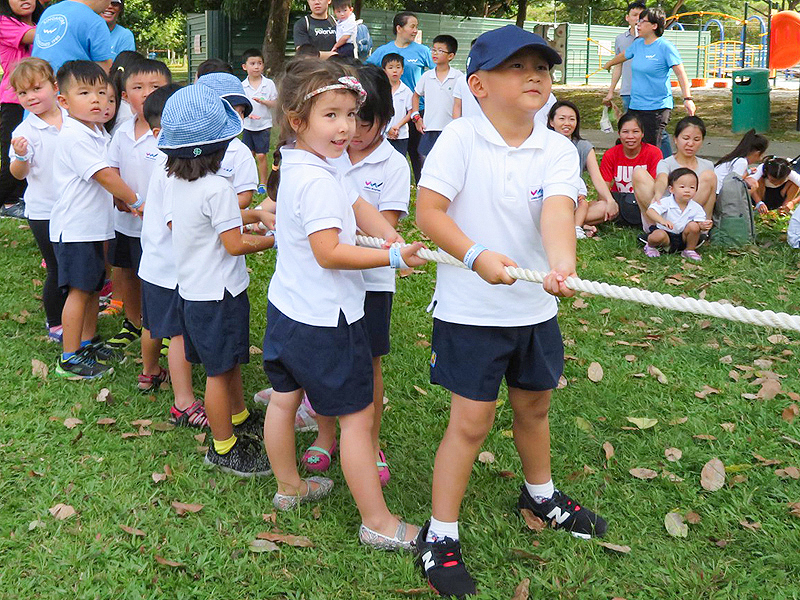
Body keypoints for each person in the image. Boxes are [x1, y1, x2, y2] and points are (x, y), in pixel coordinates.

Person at [414, 25, 607, 598]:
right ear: (478, 84)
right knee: (470, 422)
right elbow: (429, 213)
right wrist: (474, 256)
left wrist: (561, 264)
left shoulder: (555, 146)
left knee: (535, 405)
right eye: (518, 67)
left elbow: (557, 209)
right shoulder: (459, 139)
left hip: (532, 307)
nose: (535, 76)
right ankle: (440, 534)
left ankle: (540, 494)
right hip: (472, 310)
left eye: (542, 68)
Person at [261, 58, 425, 549]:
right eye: (331, 115)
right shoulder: (316, 181)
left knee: (286, 400)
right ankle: (377, 521)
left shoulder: (304, 161)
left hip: (287, 309)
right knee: (356, 418)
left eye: (351, 114)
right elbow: (328, 252)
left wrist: (389, 234)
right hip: (326, 321)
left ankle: (290, 487)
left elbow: (357, 204)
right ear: (298, 120)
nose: (346, 126)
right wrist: (392, 258)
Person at [295, 63, 410, 488]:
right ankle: (327, 434)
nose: (351, 128)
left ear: (384, 119)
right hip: (329, 286)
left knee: (368, 365)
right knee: (327, 364)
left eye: (363, 119)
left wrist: (393, 248)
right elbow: (327, 242)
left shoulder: (393, 165)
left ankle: (369, 440)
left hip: (373, 281)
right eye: (340, 116)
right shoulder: (324, 159)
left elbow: (379, 226)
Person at [158, 83, 274, 474]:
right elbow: (234, 245)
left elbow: (211, 225)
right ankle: (223, 447)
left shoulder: (179, 184)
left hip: (193, 292)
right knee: (220, 372)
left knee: (228, 363)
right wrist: (271, 241)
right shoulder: (218, 188)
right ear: (220, 147)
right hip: (220, 294)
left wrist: (255, 217)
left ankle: (239, 418)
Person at [49, 60, 139, 379]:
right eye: (85, 92)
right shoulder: (75, 136)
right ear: (63, 101)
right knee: (79, 291)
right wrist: (134, 199)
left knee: (92, 287)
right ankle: (69, 357)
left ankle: (87, 343)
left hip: (93, 227)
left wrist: (118, 199)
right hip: (75, 229)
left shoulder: (96, 131)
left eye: (103, 92)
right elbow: (103, 175)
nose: (97, 100)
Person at [138, 83, 208, 428]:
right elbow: (177, 223)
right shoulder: (175, 172)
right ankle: (184, 402)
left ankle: (149, 372)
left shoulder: (167, 164)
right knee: (179, 333)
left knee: (153, 322)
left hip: (154, 264)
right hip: (173, 268)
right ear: (160, 132)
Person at [104, 58, 172, 376]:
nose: (146, 94)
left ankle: (166, 328)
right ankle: (133, 322)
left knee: (160, 276)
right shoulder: (120, 132)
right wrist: (119, 197)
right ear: (124, 93)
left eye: (156, 87)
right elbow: (112, 169)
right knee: (129, 271)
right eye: (137, 87)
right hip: (127, 221)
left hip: (161, 227)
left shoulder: (171, 133)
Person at [8, 57, 66, 340]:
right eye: (22, 93)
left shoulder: (74, 117)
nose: (30, 97)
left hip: (77, 207)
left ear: (55, 86)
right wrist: (20, 156)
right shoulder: (23, 132)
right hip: (44, 210)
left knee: (76, 263)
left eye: (36, 88)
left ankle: (79, 310)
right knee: (56, 266)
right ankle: (56, 321)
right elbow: (19, 174)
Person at [603, 7, 695, 149]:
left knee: (650, 148)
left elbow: (681, 73)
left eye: (643, 21)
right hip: (636, 106)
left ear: (654, 26)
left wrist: (687, 99)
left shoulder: (665, 47)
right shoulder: (638, 44)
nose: (638, 25)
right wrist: (609, 63)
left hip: (657, 108)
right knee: (631, 144)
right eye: (638, 21)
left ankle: (658, 170)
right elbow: (624, 55)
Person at [367, 11, 433, 183]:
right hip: (391, 111)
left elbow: (436, 72)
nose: (415, 30)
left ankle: (422, 187)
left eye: (416, 27)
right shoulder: (383, 51)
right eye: (412, 26)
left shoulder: (422, 51)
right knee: (391, 151)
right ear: (399, 28)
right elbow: (367, 71)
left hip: (418, 110)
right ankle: (388, 183)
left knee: (419, 152)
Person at [547, 100, 617, 237]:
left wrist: (610, 200)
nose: (567, 123)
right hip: (548, 201)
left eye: (572, 119)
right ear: (551, 122)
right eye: (562, 118)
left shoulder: (583, 146)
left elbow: (596, 177)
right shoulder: (543, 145)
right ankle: (576, 224)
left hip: (575, 202)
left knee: (604, 207)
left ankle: (566, 224)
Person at [0, 0, 43, 219]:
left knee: (36, 149)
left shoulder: (42, 21)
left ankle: (22, 198)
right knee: (14, 151)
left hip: (42, 98)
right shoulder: (4, 22)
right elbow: (36, 36)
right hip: (14, 98)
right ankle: (6, 202)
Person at [633, 116, 716, 226]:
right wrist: (658, 194)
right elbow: (662, 179)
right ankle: (657, 227)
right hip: (665, 215)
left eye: (696, 140)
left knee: (710, 176)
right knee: (639, 172)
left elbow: (710, 201)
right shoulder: (666, 163)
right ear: (675, 139)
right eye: (686, 138)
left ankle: (700, 229)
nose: (690, 144)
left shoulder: (707, 166)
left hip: (691, 220)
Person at [196, 71, 259, 209]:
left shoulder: (240, 152)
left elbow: (245, 197)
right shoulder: (189, 146)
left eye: (241, 112)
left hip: (225, 225)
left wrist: (209, 209)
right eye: (228, 110)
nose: (237, 117)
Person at [599, 112, 661, 227]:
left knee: (640, 174)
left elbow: (656, 188)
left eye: (635, 132)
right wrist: (608, 204)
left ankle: (654, 226)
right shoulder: (610, 154)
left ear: (642, 133)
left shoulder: (654, 153)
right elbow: (603, 189)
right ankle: (581, 224)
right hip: (619, 204)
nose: (630, 136)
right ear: (619, 133)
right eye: (625, 132)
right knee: (593, 208)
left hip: (645, 204)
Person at [643, 167, 711, 261]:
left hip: (683, 237)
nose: (687, 190)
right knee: (658, 235)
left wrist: (704, 225)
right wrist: (662, 221)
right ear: (671, 189)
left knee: (694, 226)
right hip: (666, 234)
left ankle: (689, 250)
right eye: (682, 187)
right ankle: (650, 246)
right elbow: (650, 211)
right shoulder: (666, 202)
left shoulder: (696, 207)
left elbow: (700, 223)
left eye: (692, 187)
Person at [412, 34, 462, 158]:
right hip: (429, 127)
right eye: (433, 49)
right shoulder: (427, 76)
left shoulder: (458, 77)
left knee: (449, 160)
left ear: (451, 56)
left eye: (440, 50)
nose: (435, 53)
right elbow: (416, 96)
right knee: (427, 160)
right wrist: (417, 117)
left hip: (450, 128)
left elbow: (461, 102)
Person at [32, 0, 113, 74]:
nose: (109, 5)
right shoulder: (96, 21)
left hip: (38, 83)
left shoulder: (49, 11)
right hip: (71, 86)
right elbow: (104, 70)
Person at [240, 48, 277, 196]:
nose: (256, 67)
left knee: (261, 155)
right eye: (252, 63)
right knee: (249, 155)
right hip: (248, 126)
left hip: (264, 125)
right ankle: (249, 182)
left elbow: (275, 103)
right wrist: (248, 115)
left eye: (259, 63)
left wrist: (265, 102)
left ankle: (263, 183)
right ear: (245, 67)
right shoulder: (242, 86)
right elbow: (240, 108)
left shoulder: (269, 84)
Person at [604, 1, 645, 113]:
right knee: (631, 124)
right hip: (628, 92)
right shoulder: (620, 39)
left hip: (648, 92)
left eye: (641, 16)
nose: (638, 19)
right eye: (634, 15)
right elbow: (618, 66)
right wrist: (611, 91)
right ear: (627, 17)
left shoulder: (650, 39)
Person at [713, 129, 768, 194]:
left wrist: (748, 172)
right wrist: (751, 190)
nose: (760, 159)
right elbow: (735, 185)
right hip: (720, 194)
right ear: (757, 153)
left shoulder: (735, 159)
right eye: (761, 155)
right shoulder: (742, 162)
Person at [382, 52, 412, 156]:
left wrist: (397, 126)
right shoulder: (381, 90)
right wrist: (387, 129)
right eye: (390, 67)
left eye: (398, 67)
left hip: (401, 135)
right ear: (384, 71)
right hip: (383, 135)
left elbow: (410, 112)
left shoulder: (406, 91)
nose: (395, 71)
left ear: (402, 70)